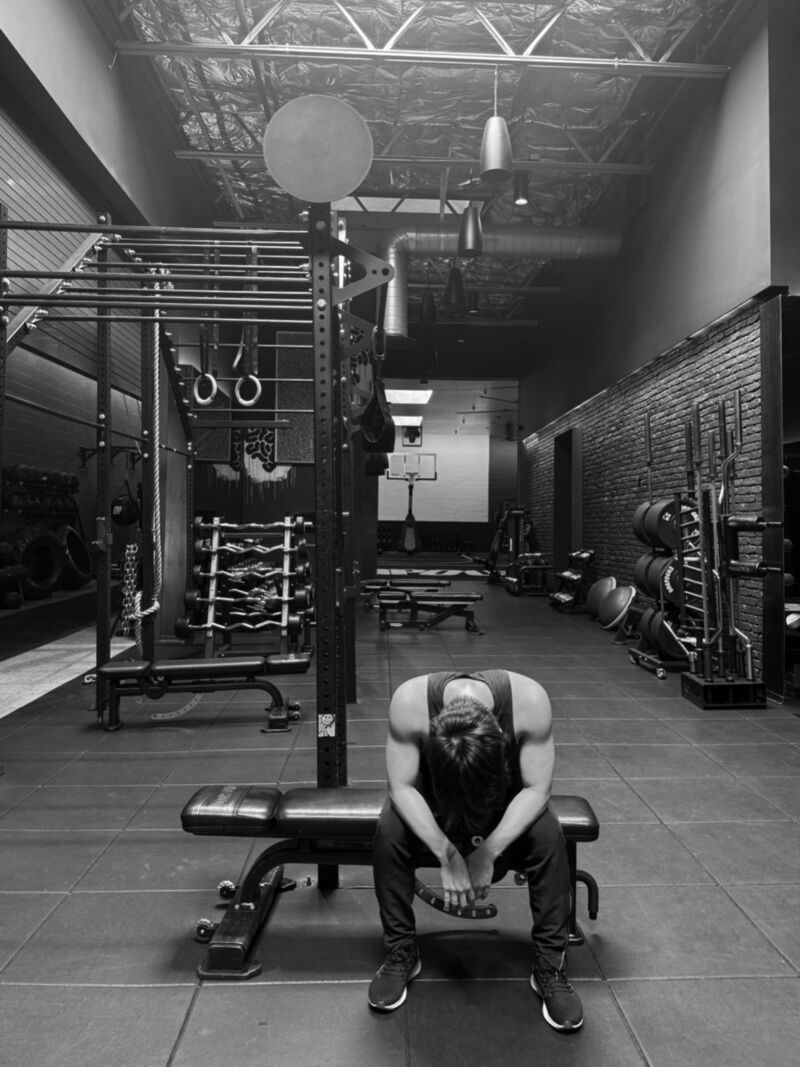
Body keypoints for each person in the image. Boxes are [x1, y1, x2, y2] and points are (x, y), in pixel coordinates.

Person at [368, 669, 583, 1032]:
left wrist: (488, 852)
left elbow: (536, 790)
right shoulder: (409, 703)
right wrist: (447, 854)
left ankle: (549, 966)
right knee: (390, 828)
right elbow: (402, 788)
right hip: (438, 807)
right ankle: (401, 950)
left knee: (548, 833)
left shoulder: (530, 702)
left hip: (503, 806)